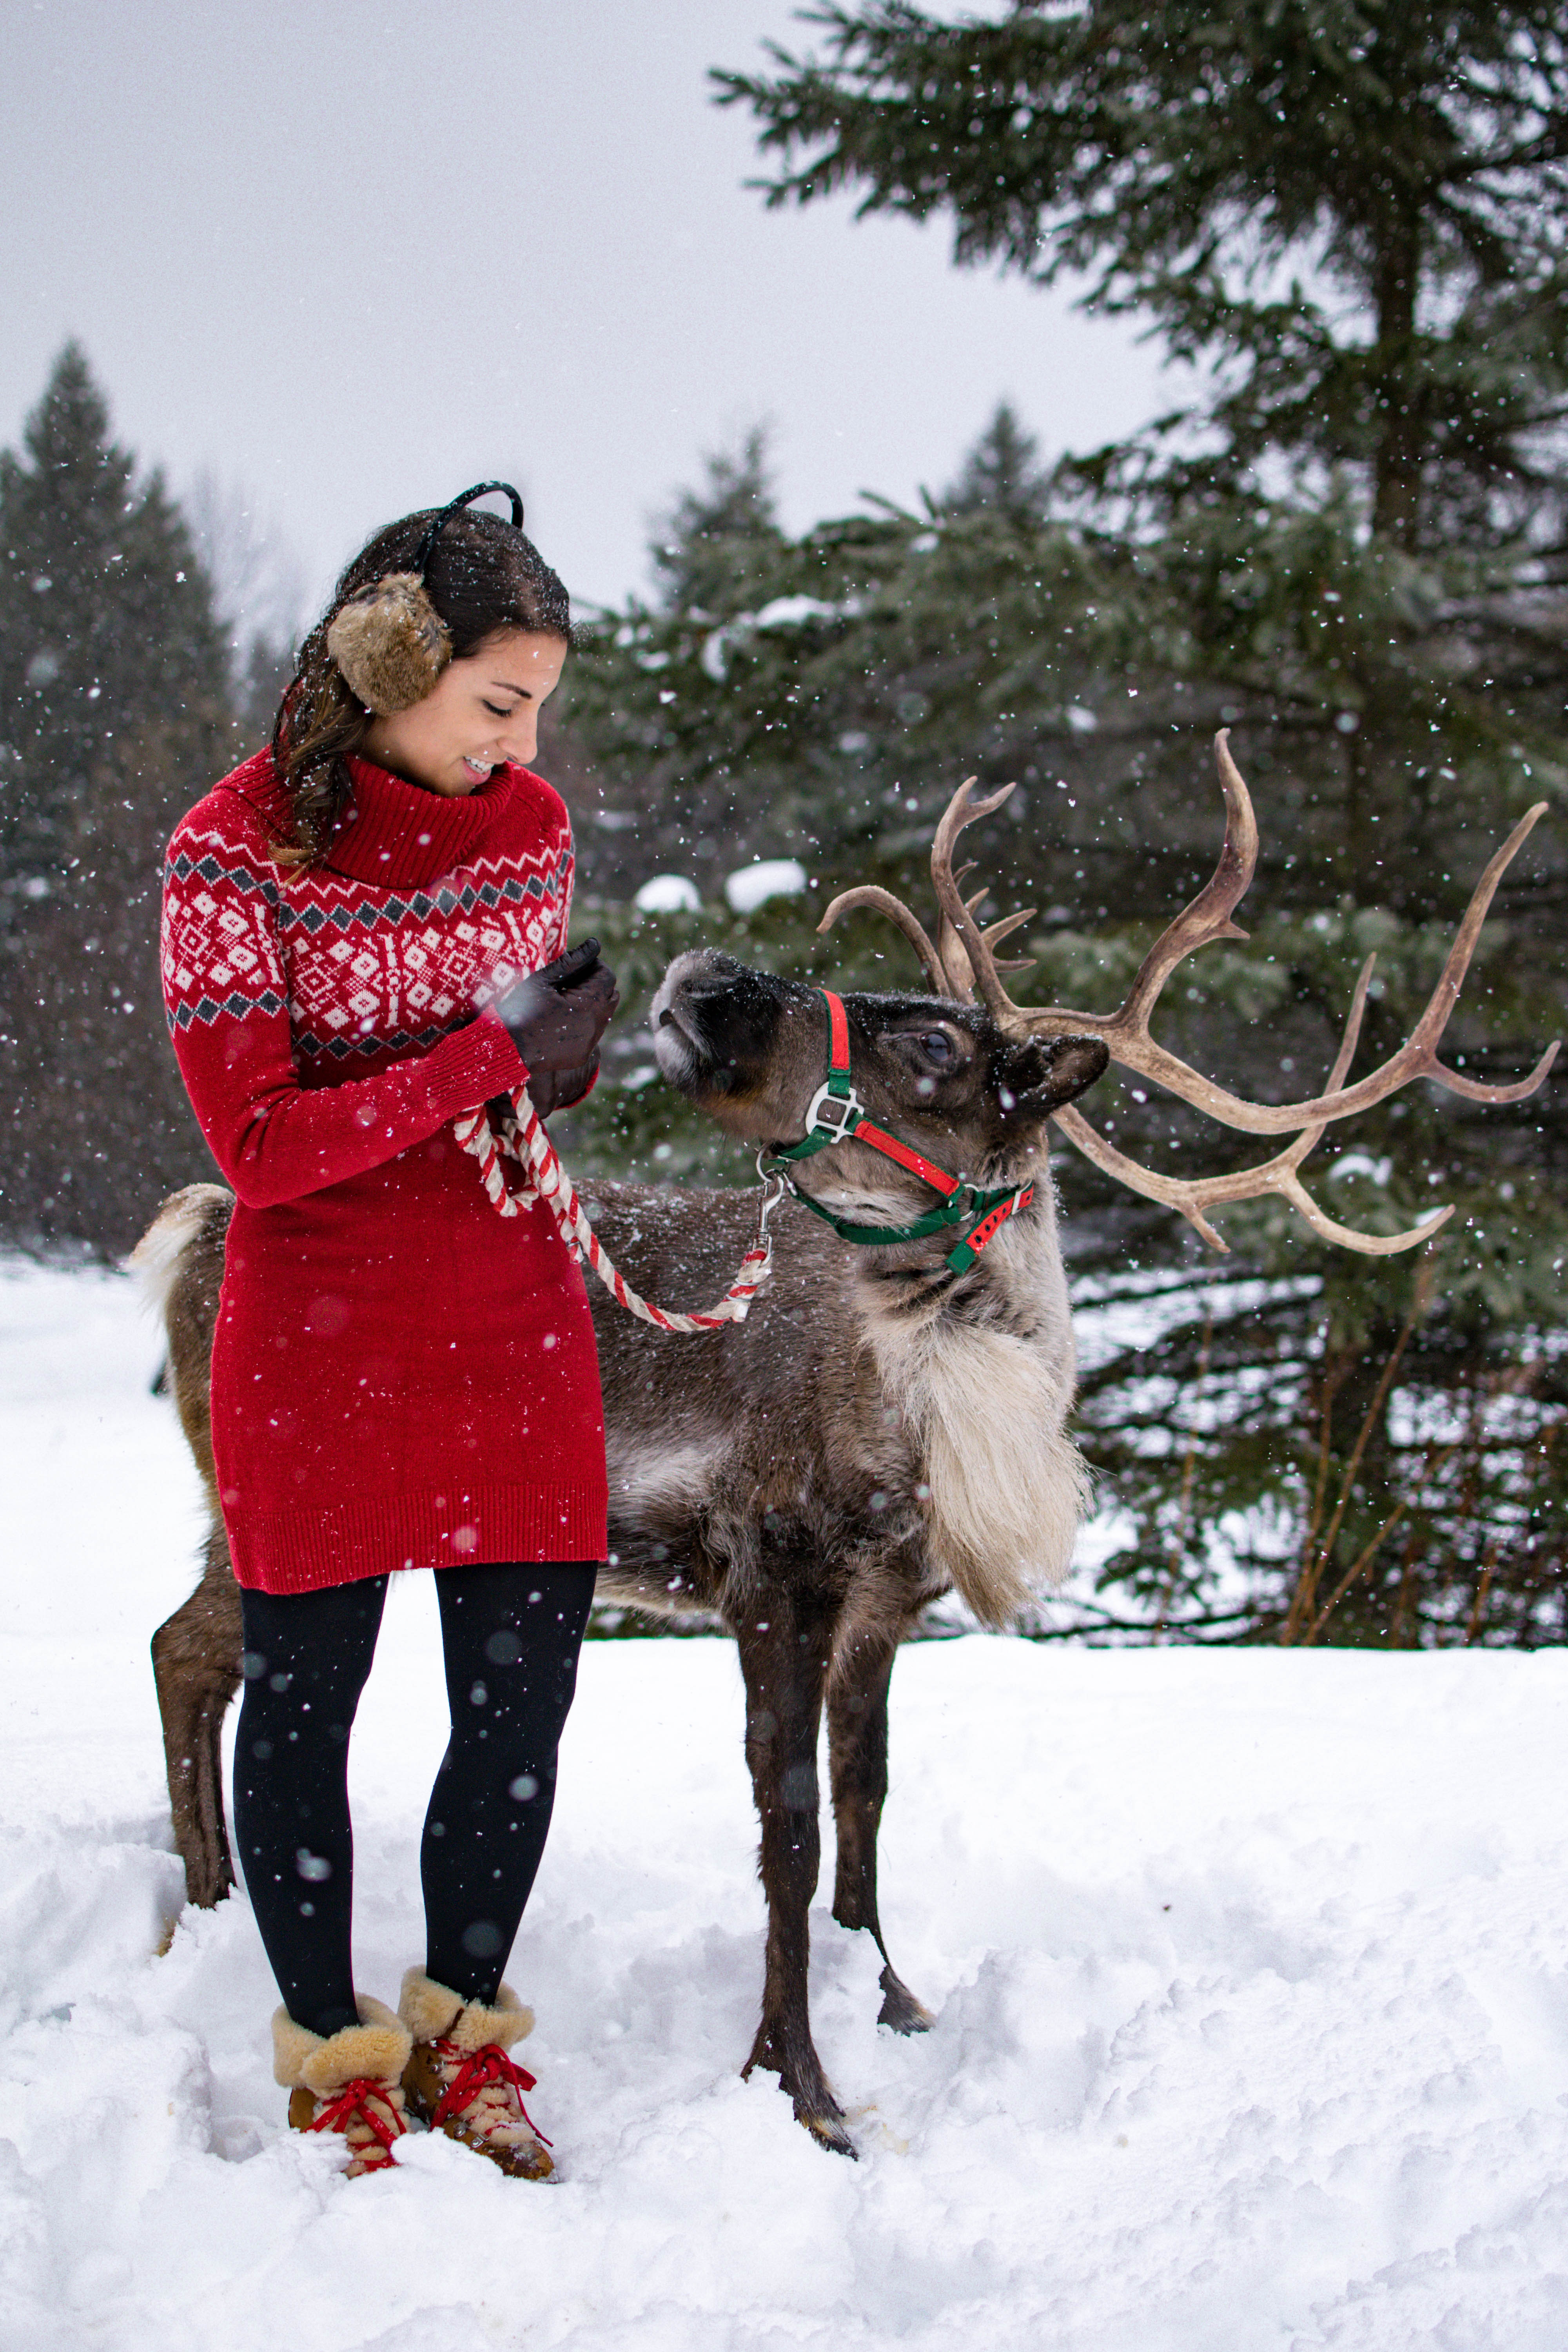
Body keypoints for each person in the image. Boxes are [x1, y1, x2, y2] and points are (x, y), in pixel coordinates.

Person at [160, 484, 620, 2180]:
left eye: (539, 709)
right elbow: (259, 1146)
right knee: (307, 1697)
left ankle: (467, 2037)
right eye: (496, 700)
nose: (520, 742)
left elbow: (499, 1068)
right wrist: (486, 1057)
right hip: (315, 1326)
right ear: (388, 660)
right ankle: (335, 2059)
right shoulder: (229, 856)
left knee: (518, 1705)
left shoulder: (532, 828)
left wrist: (551, 1055)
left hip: (508, 1309)